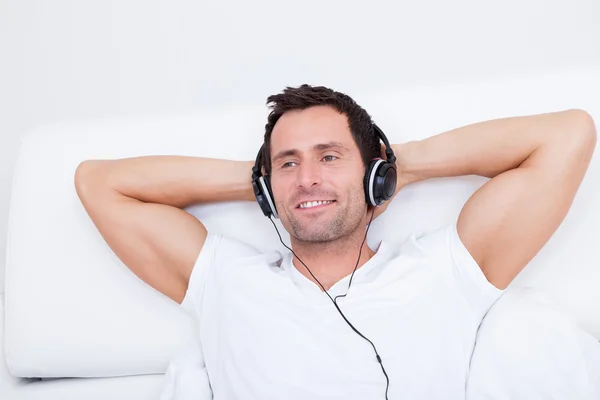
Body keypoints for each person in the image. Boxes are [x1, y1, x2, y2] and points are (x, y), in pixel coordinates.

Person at [74, 85, 597, 399]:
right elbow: (99, 183)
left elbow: (569, 134)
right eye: (288, 162)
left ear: (373, 177)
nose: (307, 178)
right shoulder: (224, 280)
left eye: (329, 157)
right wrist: (263, 178)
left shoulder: (445, 269)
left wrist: (398, 167)